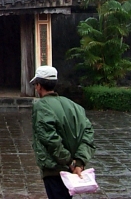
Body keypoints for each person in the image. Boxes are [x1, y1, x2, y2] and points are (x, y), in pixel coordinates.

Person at [30, 65, 95, 199]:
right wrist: (79, 162)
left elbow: (49, 139)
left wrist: (69, 162)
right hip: (72, 169)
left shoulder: (41, 106)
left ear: (38, 86)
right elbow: (88, 134)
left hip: (54, 169)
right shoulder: (75, 106)